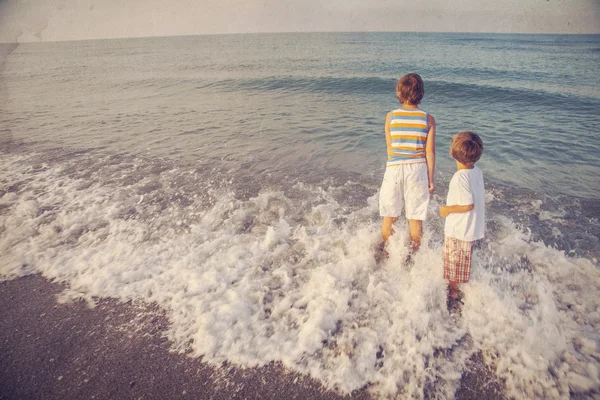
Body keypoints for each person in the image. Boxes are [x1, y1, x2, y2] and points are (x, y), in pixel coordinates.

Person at [377, 73, 436, 261]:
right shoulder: (428, 119)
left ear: (398, 93)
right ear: (421, 93)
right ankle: (414, 257)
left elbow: (390, 146)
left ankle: (387, 253)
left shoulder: (390, 117)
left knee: (389, 215)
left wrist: (395, 164)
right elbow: (430, 153)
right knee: (415, 217)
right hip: (417, 169)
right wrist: (430, 179)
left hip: (394, 167)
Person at [439, 131, 485, 314]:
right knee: (463, 262)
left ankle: (453, 294)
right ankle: (460, 290)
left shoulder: (460, 177)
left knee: (452, 264)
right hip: (470, 228)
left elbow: (467, 205)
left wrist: (447, 209)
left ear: (452, 153)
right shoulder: (476, 171)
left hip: (459, 229)